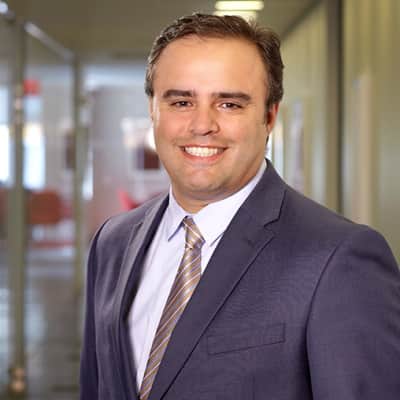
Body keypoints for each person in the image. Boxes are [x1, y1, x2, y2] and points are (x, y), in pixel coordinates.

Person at [80, 13, 400, 400]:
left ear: (269, 116)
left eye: (229, 104)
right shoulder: (112, 243)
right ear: (153, 110)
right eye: (181, 101)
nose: (202, 125)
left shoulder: (338, 258)